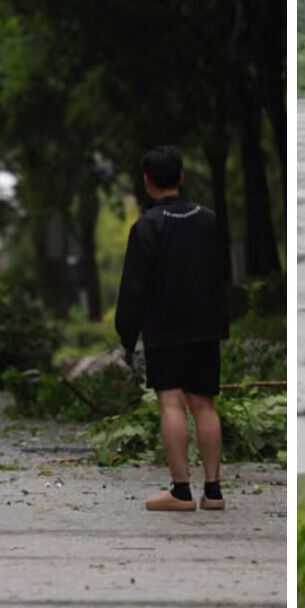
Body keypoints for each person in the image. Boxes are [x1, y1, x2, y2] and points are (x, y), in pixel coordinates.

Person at [115, 145, 230, 512]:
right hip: (206, 325)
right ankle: (213, 491)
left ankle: (181, 491)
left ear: (148, 183)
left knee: (171, 403)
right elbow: (221, 274)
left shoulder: (147, 227)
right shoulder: (209, 220)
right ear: (181, 178)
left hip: (164, 328)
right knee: (205, 404)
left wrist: (127, 338)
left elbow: (133, 288)